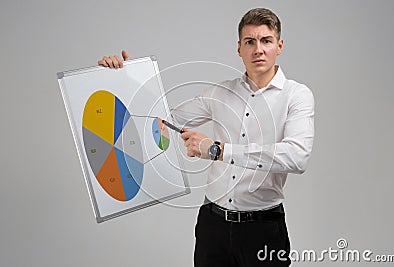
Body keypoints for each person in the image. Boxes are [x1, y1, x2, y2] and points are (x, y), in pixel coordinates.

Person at [98, 8, 314, 267]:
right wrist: (124, 77)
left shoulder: (297, 96)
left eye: (266, 41)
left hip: (263, 229)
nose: (258, 49)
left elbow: (296, 156)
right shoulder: (220, 92)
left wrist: (218, 150)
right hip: (213, 226)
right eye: (250, 42)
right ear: (239, 49)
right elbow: (161, 119)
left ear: (279, 46)